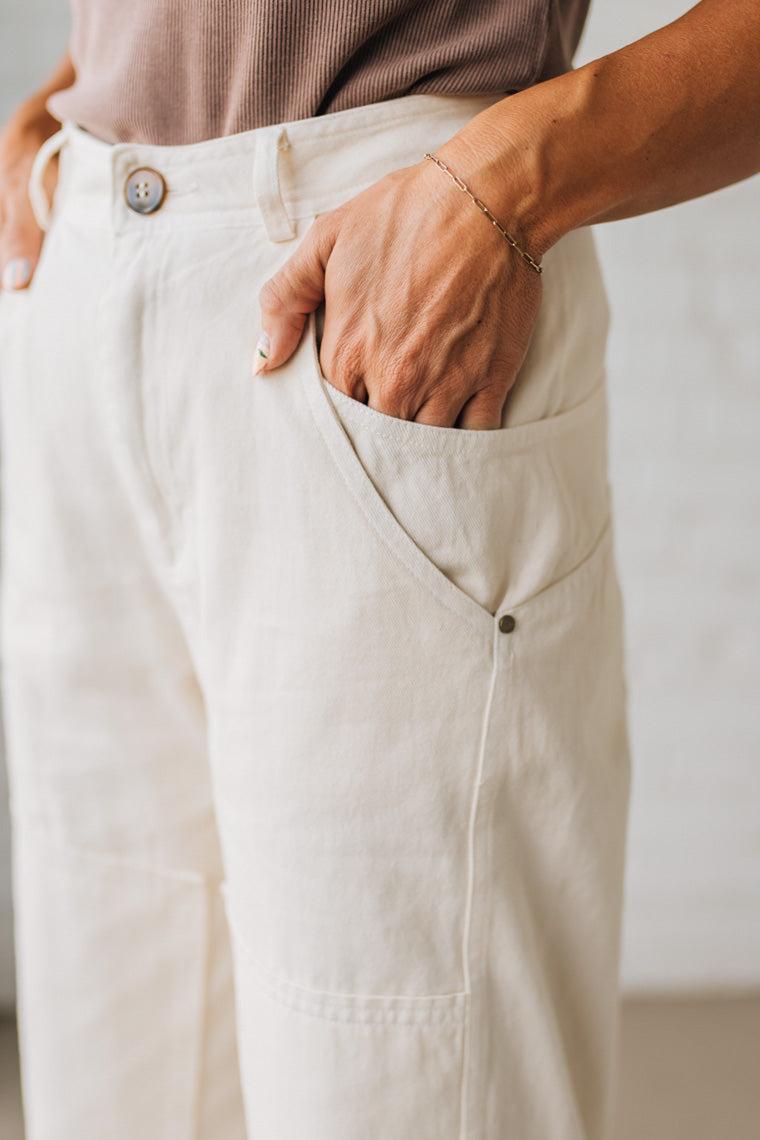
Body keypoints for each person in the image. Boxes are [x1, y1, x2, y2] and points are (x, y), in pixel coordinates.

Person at [0, 1, 757, 1137]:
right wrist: (80, 83)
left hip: (372, 295)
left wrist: (509, 186)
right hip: (86, 258)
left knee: (403, 1086)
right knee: (111, 1079)